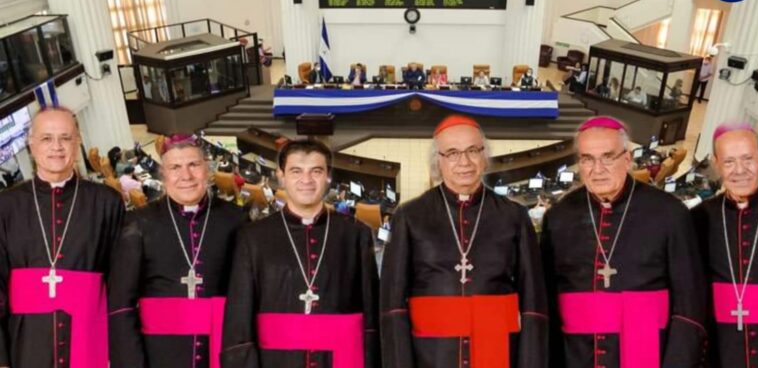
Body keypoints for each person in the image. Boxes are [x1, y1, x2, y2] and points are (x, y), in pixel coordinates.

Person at [381, 115, 548, 368]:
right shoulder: (409, 216)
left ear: (484, 155)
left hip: (499, 350)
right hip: (431, 354)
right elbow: (393, 304)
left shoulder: (514, 215)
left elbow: (533, 301)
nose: (464, 162)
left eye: (473, 151)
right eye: (452, 153)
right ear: (438, 160)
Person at [541, 116, 707, 368]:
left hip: (649, 354)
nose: (597, 169)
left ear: (627, 159)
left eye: (608, 157)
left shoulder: (670, 213)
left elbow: (690, 305)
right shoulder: (558, 217)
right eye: (587, 159)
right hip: (575, 355)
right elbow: (547, 302)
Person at [221, 139, 380, 367]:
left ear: (328, 177)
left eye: (316, 171)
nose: (306, 180)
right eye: (296, 171)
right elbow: (238, 320)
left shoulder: (356, 234)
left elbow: (371, 322)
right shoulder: (253, 237)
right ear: (281, 176)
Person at [0, 106, 125, 368]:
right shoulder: (6, 206)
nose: (56, 147)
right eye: (46, 138)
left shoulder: (106, 201)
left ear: (77, 142)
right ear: (30, 145)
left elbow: (120, 283)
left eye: (65, 138)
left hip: (91, 338)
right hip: (26, 343)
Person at [108, 134, 247, 368]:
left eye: (194, 165)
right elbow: (121, 305)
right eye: (175, 167)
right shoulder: (138, 223)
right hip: (159, 355)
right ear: (163, 175)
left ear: (208, 170)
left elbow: (246, 297)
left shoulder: (236, 219)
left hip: (221, 352)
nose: (186, 176)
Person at [692, 123, 758, 367]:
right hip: (717, 347)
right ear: (715, 163)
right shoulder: (699, 218)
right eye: (729, 162)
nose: (740, 170)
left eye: (748, 159)